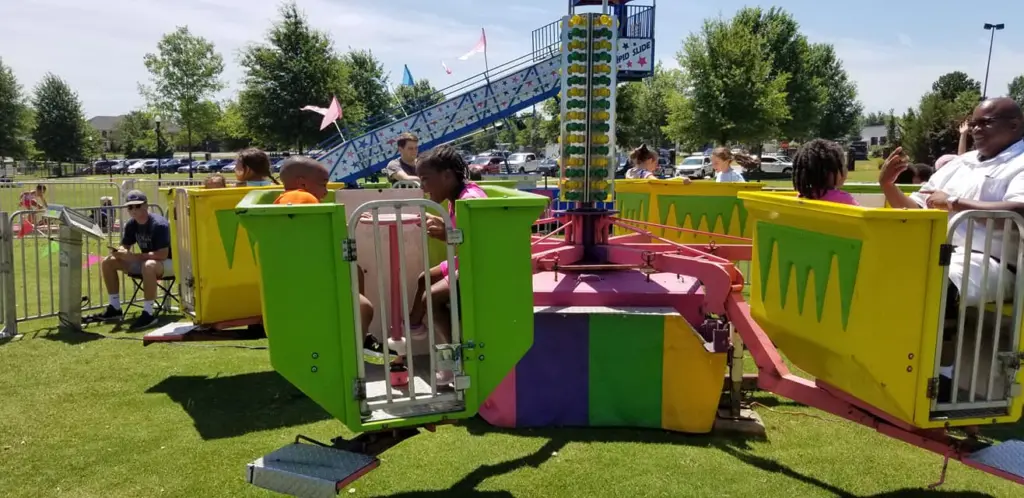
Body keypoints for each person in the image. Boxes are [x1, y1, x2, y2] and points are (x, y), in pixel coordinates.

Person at [880, 98, 1024, 399]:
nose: (975, 130)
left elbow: (1019, 210)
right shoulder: (960, 163)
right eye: (974, 123)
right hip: (947, 252)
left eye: (985, 123)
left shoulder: (1020, 161)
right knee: (888, 269)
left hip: (994, 262)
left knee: (938, 282)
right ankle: (889, 363)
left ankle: (942, 379)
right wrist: (889, 186)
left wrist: (955, 204)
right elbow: (919, 208)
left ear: (1014, 125)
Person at [407, 145, 487, 385]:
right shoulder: (455, 198)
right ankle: (413, 327)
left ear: (447, 176)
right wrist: (441, 225)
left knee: (431, 298)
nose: (423, 187)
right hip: (465, 260)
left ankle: (454, 359)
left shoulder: (470, 200)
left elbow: (479, 243)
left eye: (425, 179)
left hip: (478, 265)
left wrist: (446, 234)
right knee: (424, 279)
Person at [91, 190, 174, 330]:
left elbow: (163, 254)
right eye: (130, 207)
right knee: (108, 261)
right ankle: (114, 308)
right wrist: (120, 252)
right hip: (147, 261)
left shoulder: (159, 225)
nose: (134, 210)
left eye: (137, 206)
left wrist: (134, 256)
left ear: (146, 205)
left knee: (148, 266)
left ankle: (148, 313)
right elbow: (126, 245)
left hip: (169, 263)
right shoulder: (131, 224)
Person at [791, 139, 858, 205]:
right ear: (827, 172)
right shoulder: (845, 199)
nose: (846, 170)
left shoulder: (802, 196)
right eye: (843, 165)